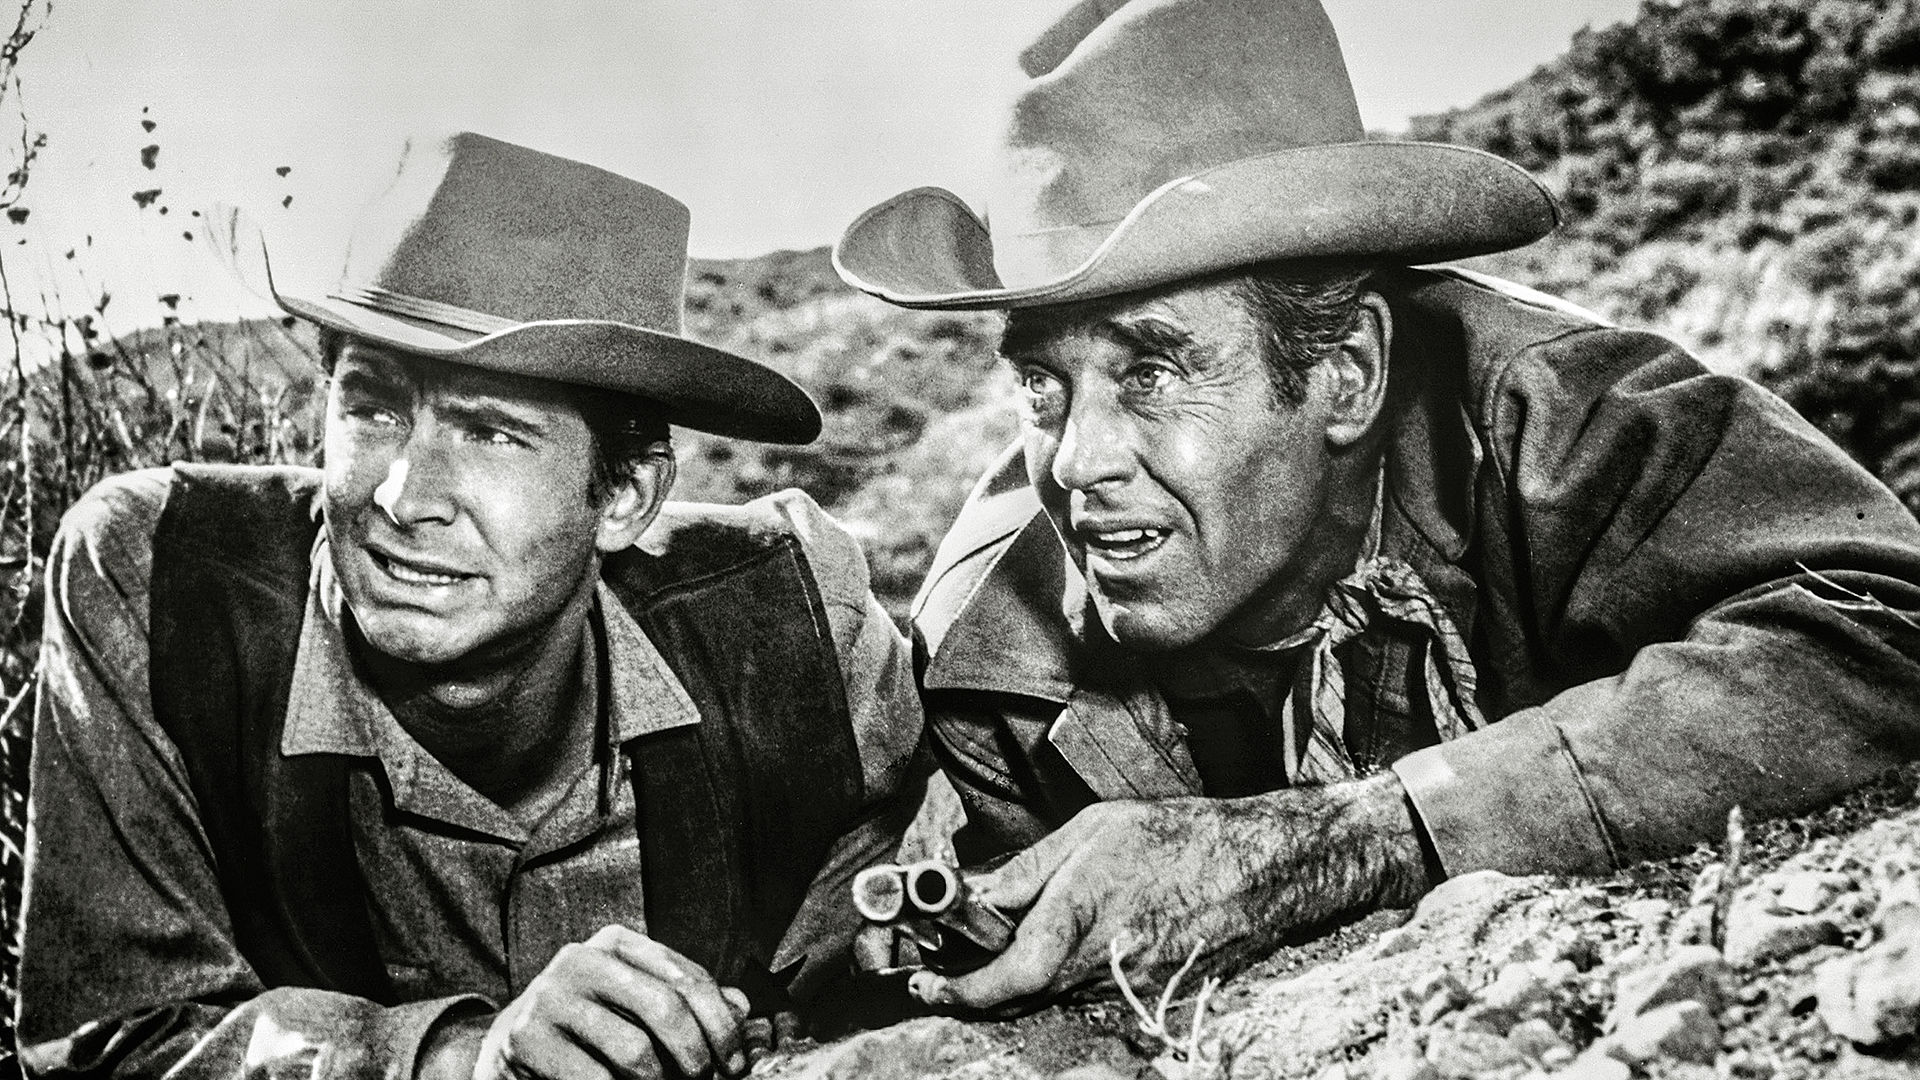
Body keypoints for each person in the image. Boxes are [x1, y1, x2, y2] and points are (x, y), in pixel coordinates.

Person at [832, 0, 1920, 1012]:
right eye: (1040, 385)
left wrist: (1357, 838)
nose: (1075, 463)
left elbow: (1883, 629)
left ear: (1346, 372)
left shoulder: (1562, 419)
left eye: (1152, 371)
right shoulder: (989, 661)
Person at [18, 132, 926, 1079]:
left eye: (491, 432)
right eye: (373, 408)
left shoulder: (792, 622)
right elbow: (100, 1042)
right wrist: (452, 1058)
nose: (403, 497)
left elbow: (924, 899)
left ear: (625, 496)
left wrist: (793, 1017)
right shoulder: (163, 587)